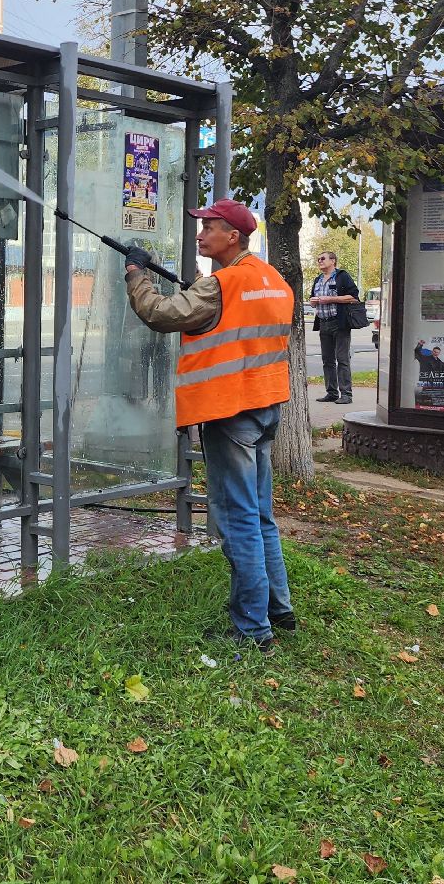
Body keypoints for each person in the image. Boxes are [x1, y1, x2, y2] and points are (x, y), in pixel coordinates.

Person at [124, 198, 296, 653]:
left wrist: (135, 273)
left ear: (232, 236)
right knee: (261, 514)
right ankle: (280, 607)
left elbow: (160, 314)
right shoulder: (271, 279)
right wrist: (200, 291)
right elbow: (232, 321)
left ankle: (253, 629)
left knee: (237, 518)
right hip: (265, 407)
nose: (200, 235)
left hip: (231, 412)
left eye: (209, 228)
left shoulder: (222, 284)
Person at [309, 250, 361, 404]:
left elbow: (354, 297)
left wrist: (331, 299)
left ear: (333, 261)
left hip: (339, 323)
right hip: (324, 323)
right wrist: (313, 301)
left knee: (342, 359)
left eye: (322, 258)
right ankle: (331, 392)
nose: (319, 261)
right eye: (318, 259)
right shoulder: (318, 279)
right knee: (327, 360)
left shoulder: (342, 276)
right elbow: (314, 298)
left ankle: (346, 394)